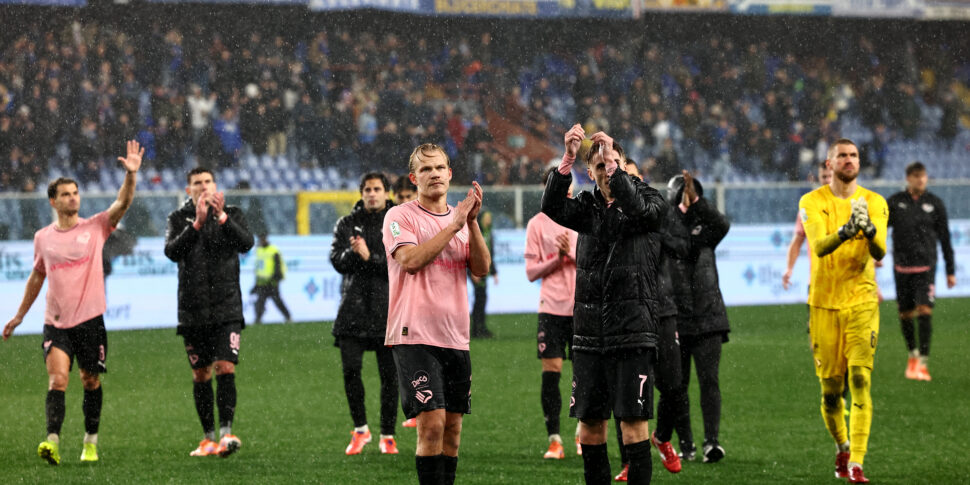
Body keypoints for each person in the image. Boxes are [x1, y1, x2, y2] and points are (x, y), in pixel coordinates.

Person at [3, 140, 144, 465]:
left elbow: (122, 203)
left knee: (90, 380)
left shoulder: (95, 227)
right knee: (58, 380)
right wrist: (20, 315)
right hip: (56, 322)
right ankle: (52, 440)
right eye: (65, 194)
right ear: (53, 201)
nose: (72, 198)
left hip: (91, 320)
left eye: (75, 193)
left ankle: (90, 442)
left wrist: (131, 176)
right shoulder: (43, 237)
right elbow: (37, 276)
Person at [542, 124, 668, 485]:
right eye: (598, 167)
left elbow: (640, 210)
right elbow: (550, 205)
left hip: (632, 332)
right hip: (589, 335)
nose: (606, 171)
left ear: (625, 166)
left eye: (612, 164)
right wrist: (567, 158)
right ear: (590, 174)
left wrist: (611, 162)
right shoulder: (586, 207)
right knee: (590, 426)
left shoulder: (649, 200)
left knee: (633, 424)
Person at [382, 143, 491, 484]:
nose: (434, 174)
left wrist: (471, 224)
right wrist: (454, 225)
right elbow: (411, 261)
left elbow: (481, 268)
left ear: (449, 174)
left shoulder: (461, 221)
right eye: (425, 170)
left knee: (453, 431)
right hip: (414, 334)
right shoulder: (399, 217)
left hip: (455, 335)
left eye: (439, 168)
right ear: (414, 178)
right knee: (431, 425)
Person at [798, 138, 888, 484]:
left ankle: (858, 463)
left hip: (862, 302)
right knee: (831, 391)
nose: (849, 160)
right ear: (829, 163)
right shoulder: (812, 201)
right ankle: (843, 445)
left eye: (853, 156)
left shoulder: (874, 201)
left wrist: (867, 230)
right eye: (842, 156)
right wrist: (847, 230)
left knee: (862, 379)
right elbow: (819, 246)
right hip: (823, 304)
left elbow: (879, 251)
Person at [164, 167, 255, 458]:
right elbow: (172, 252)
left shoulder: (233, 212)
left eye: (207, 182)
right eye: (196, 183)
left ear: (216, 186)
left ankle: (227, 435)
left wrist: (221, 218)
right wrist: (197, 225)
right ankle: (207, 439)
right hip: (192, 310)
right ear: (188, 189)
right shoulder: (178, 219)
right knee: (201, 373)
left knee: (225, 367)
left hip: (227, 307)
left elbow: (246, 243)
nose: (202, 187)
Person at [613, 160, 688, 481]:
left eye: (633, 175)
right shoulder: (613, 216)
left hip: (662, 308)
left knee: (674, 385)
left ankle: (661, 436)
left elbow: (684, 246)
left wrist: (655, 231)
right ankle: (630, 460)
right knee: (626, 391)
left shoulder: (659, 211)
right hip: (627, 310)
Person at [330, 172, 399, 455]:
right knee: (350, 371)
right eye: (367, 189)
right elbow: (337, 261)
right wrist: (352, 253)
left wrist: (369, 257)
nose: (372, 194)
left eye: (377, 189)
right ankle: (360, 430)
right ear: (361, 193)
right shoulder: (346, 223)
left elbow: (400, 264)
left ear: (386, 192)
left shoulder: (397, 223)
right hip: (353, 311)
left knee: (390, 378)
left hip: (387, 311)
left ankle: (387, 434)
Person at [664, 170, 731, 464]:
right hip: (675, 316)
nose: (687, 199)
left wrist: (697, 202)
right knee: (676, 386)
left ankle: (711, 443)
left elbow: (723, 223)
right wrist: (681, 207)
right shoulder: (665, 227)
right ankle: (687, 444)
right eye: (683, 194)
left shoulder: (708, 228)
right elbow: (671, 234)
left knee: (709, 381)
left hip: (708, 316)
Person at [525, 168, 579, 460]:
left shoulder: (583, 217)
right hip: (551, 309)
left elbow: (595, 262)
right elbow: (531, 272)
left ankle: (584, 432)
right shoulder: (537, 224)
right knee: (552, 375)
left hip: (582, 307)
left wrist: (571, 253)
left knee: (584, 376)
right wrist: (556, 259)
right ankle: (555, 439)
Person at [887, 161, 955, 381]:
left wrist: (950, 270)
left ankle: (923, 363)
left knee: (925, 311)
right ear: (908, 178)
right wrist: (874, 254)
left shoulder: (935, 203)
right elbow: (879, 230)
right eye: (916, 176)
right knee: (905, 314)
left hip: (926, 267)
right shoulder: (896, 202)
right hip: (901, 267)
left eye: (923, 176)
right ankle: (913, 356)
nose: (921, 180)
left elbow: (945, 239)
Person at [783, 162, 834, 291]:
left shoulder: (849, 203)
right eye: (824, 177)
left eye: (830, 176)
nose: (827, 180)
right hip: (817, 282)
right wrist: (789, 268)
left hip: (846, 282)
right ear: (818, 178)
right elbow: (797, 242)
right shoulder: (808, 206)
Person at [252, 231, 291, 325]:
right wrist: (256, 283)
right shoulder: (259, 251)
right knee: (260, 301)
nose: (261, 241)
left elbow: (278, 265)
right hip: (262, 282)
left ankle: (288, 317)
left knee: (277, 300)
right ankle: (258, 319)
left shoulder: (273, 250)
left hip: (272, 281)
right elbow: (258, 268)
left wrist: (276, 278)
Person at [469, 210, 497, 339]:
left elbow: (491, 254)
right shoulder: (476, 232)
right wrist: (472, 271)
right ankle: (476, 329)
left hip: (484, 271)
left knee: (482, 298)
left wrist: (494, 272)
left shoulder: (489, 232)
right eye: (486, 217)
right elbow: (470, 251)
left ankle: (481, 328)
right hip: (476, 270)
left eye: (489, 217)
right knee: (479, 299)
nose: (488, 220)